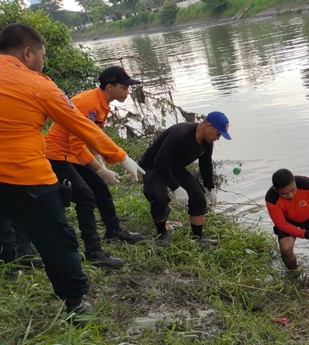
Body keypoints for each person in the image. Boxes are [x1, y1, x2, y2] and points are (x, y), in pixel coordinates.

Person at [0, 23, 145, 317]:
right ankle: (75, 303)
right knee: (58, 241)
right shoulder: (39, 85)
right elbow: (81, 128)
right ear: (28, 53)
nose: (43, 63)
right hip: (27, 177)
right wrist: (121, 157)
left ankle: (16, 261)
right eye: (42, 56)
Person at [45, 66, 145, 269]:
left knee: (100, 189)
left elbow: (90, 137)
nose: (128, 91)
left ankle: (113, 231)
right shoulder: (89, 104)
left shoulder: (101, 102)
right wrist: (101, 169)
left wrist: (99, 164)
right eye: (124, 87)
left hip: (73, 154)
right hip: (58, 155)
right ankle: (93, 252)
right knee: (85, 196)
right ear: (110, 86)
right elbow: (76, 146)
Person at [138, 111, 231, 246]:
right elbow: (160, 161)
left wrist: (210, 187)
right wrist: (176, 187)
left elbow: (205, 164)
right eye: (218, 134)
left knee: (199, 198)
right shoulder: (180, 134)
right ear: (209, 126)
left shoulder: (207, 142)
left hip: (175, 166)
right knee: (160, 197)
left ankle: (198, 237)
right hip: (153, 165)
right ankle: (162, 233)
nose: (218, 138)